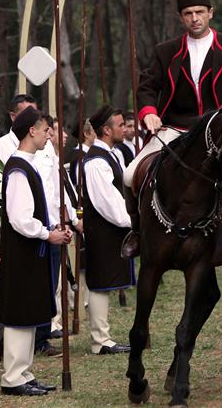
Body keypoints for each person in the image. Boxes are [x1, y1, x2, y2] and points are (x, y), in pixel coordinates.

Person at [121, 0, 222, 260]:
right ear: (181, 17)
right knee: (129, 174)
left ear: (211, 12)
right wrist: (149, 111)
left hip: (219, 128)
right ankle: (137, 233)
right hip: (175, 128)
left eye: (199, 12)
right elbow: (148, 86)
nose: (194, 18)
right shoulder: (166, 51)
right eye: (188, 13)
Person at [0, 107, 73, 396]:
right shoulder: (18, 168)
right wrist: (46, 233)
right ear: (31, 131)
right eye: (45, 130)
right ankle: (13, 377)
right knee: (19, 311)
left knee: (28, 311)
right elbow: (19, 217)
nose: (48, 135)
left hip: (32, 250)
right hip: (22, 252)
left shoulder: (28, 164)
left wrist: (51, 226)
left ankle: (23, 372)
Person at [80, 105, 135, 355]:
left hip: (111, 228)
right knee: (100, 282)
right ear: (106, 129)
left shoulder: (112, 154)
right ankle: (100, 341)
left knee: (105, 281)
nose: (124, 128)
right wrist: (132, 221)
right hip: (102, 230)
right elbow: (106, 202)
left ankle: (103, 337)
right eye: (120, 125)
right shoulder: (95, 161)